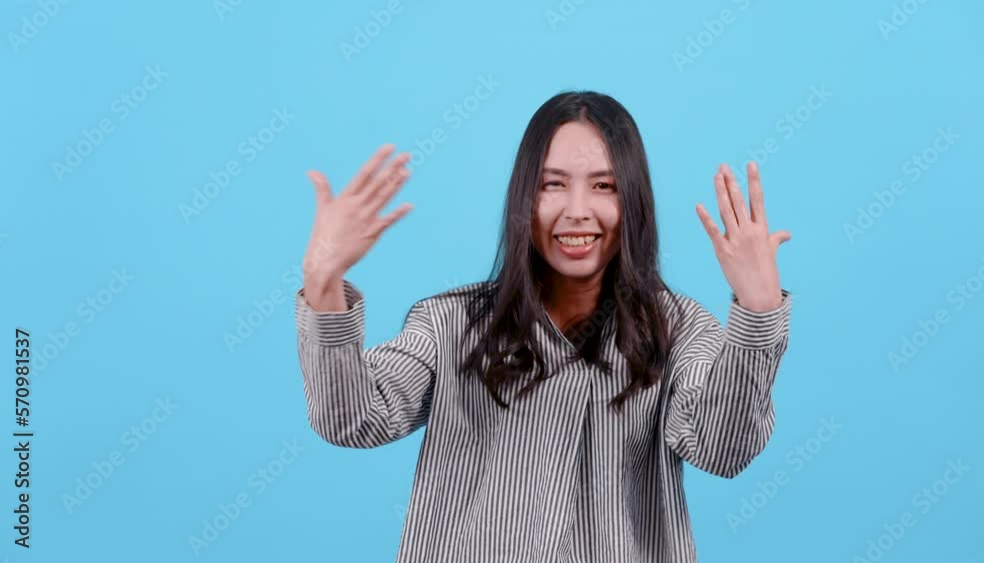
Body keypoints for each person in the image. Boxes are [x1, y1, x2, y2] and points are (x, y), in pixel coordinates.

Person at [294, 91, 793, 562]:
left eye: (604, 186)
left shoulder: (679, 330)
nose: (577, 211)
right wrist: (324, 282)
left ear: (634, 202)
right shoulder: (450, 324)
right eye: (553, 184)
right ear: (523, 200)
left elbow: (723, 448)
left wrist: (757, 310)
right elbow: (351, 418)